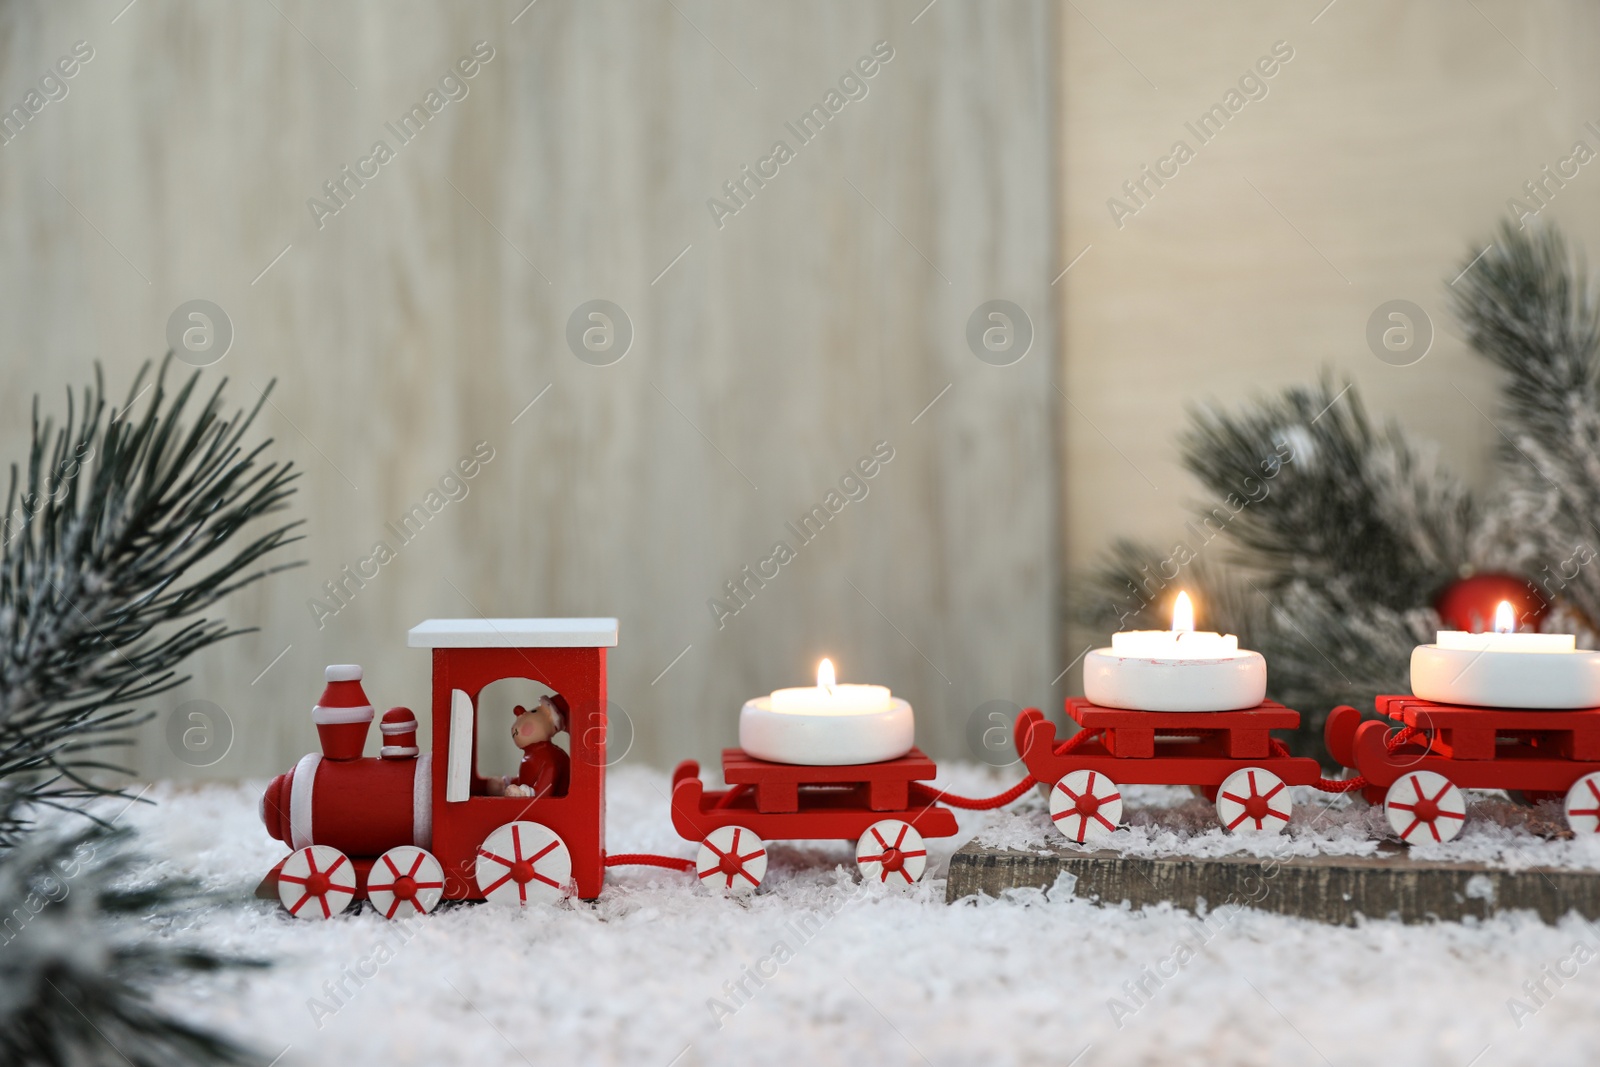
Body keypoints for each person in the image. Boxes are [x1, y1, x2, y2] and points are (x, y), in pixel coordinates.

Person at [485, 695, 571, 798]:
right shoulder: (532, 755)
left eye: (534, 711)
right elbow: (526, 778)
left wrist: (527, 794)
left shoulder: (550, 758)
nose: (520, 713)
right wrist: (508, 784)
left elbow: (545, 790)